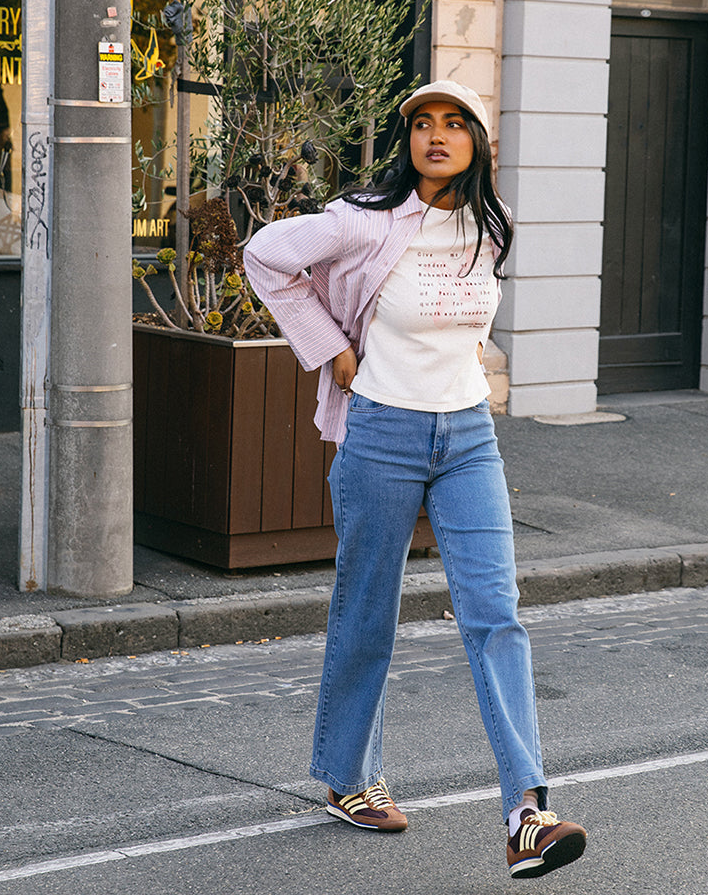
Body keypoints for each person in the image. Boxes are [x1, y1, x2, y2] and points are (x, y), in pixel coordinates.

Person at [243, 80, 587, 879]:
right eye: (423, 124)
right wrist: (330, 347)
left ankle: (527, 815)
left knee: (496, 613)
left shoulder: (492, 227)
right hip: (383, 432)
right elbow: (265, 256)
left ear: (478, 142)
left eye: (454, 123)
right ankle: (349, 779)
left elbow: (466, 323)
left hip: (468, 435)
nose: (437, 135)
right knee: (368, 611)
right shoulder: (363, 220)